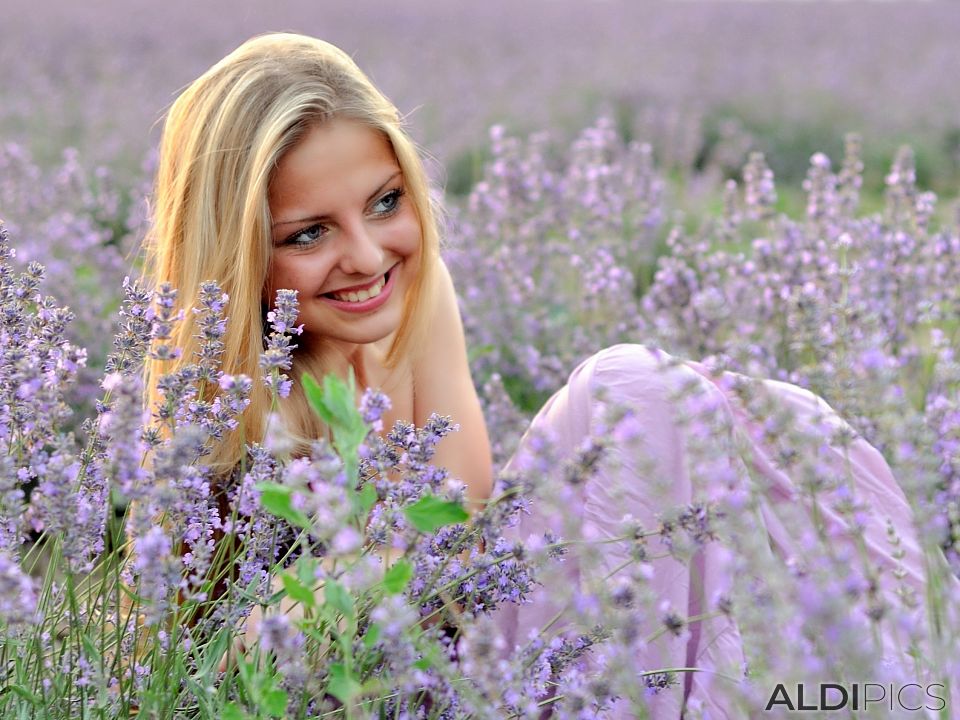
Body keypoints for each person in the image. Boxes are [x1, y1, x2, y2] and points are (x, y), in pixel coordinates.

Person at [138, 32, 943, 718]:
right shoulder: (209, 396)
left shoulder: (415, 288)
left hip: (468, 625)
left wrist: (374, 561)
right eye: (310, 232)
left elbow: (463, 525)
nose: (368, 254)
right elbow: (207, 654)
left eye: (385, 203)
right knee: (631, 393)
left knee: (677, 400)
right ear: (237, 253)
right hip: (378, 681)